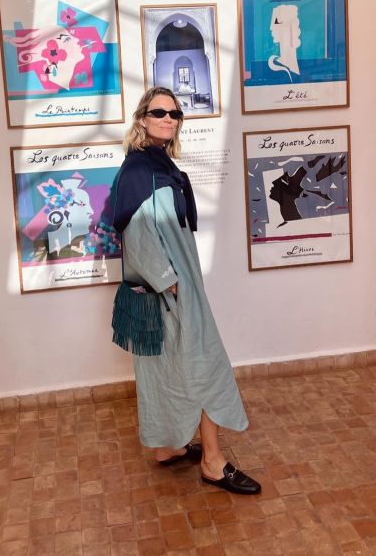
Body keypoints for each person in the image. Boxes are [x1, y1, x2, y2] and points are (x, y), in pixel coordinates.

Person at [112, 86, 260, 495]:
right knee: (206, 363)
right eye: (159, 112)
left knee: (164, 366)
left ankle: (168, 447)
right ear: (142, 118)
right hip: (168, 288)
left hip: (169, 286)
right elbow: (137, 237)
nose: (168, 119)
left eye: (175, 114)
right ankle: (212, 462)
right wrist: (171, 282)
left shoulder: (158, 165)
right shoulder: (140, 171)